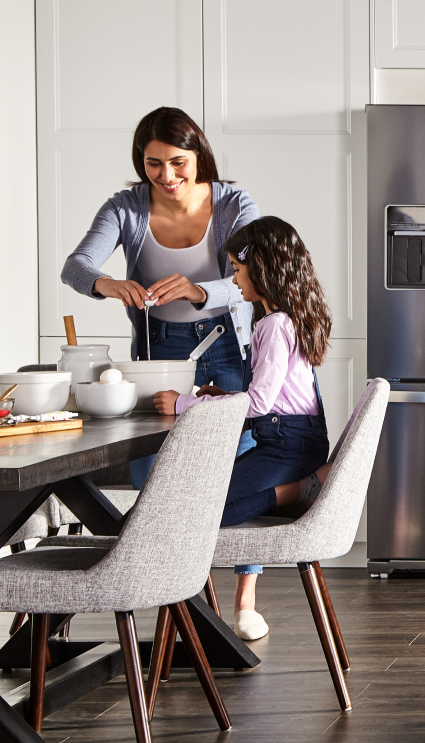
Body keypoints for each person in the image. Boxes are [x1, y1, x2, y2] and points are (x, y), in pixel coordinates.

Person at [153, 216, 333, 642]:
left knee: (201, 508)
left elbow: (260, 404)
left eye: (236, 268)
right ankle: (293, 491)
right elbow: (270, 395)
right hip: (295, 440)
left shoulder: (273, 325)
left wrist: (183, 404)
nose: (233, 279)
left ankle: (298, 490)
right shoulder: (287, 319)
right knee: (204, 501)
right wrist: (217, 396)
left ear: (263, 267)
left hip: (285, 446)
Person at [61, 107, 259, 486]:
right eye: (154, 164)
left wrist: (199, 290)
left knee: (236, 457)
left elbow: (257, 275)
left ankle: (225, 545)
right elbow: (76, 265)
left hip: (228, 342)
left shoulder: (235, 205)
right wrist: (108, 284)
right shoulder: (125, 207)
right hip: (161, 348)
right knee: (153, 467)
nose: (167, 176)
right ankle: (150, 545)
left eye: (178, 162)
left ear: (199, 154)